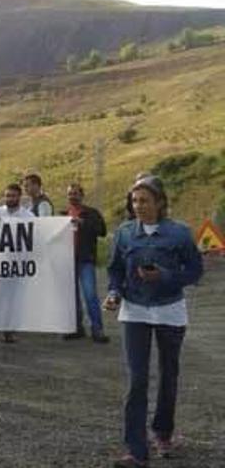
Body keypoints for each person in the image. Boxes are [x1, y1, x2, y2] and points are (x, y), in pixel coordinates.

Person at [105, 177, 203, 468]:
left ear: (160, 202)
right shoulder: (124, 233)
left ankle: (162, 432)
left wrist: (165, 276)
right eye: (134, 201)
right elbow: (115, 271)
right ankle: (136, 451)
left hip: (170, 309)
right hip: (134, 311)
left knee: (168, 375)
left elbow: (195, 272)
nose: (139, 206)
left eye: (145, 200)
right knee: (137, 380)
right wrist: (113, 293)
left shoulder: (179, 234)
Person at [0, 184, 35, 344]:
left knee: (13, 300)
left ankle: (9, 331)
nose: (10, 198)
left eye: (13, 195)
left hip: (17, 264)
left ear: (19, 197)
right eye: (7, 195)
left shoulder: (28, 216)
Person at [61, 184, 109, 343]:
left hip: (85, 259)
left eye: (75, 194)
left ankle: (97, 329)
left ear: (82, 195)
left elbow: (102, 231)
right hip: (67, 260)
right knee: (71, 298)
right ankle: (76, 328)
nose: (72, 196)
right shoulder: (62, 214)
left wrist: (82, 223)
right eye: (70, 194)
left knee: (90, 295)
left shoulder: (91, 213)